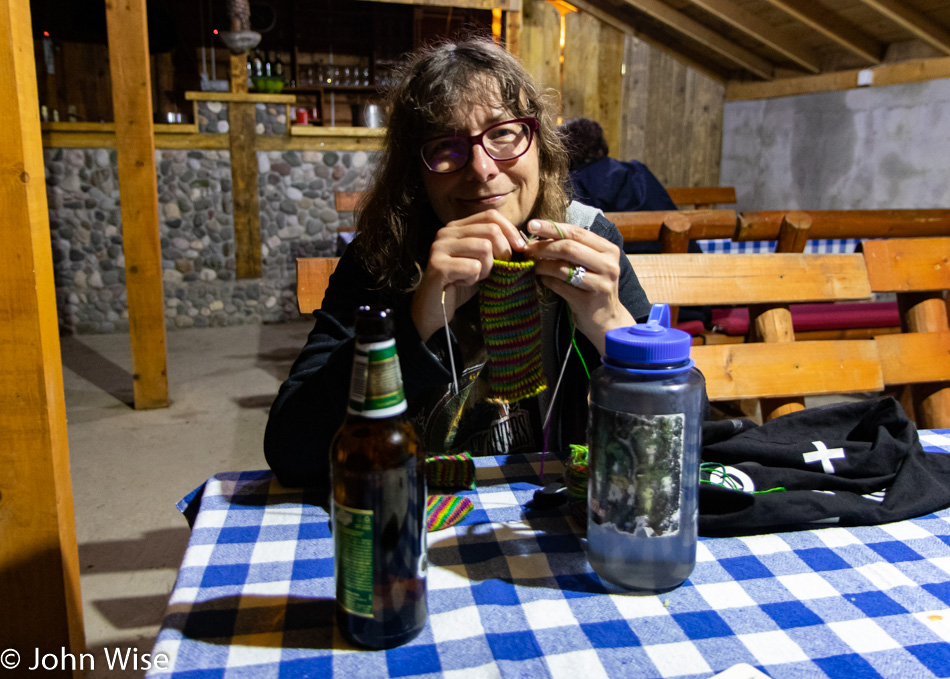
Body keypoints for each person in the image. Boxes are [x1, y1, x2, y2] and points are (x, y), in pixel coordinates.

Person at [264, 38, 652, 489]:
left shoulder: (588, 241)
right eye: (446, 145)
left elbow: (684, 435)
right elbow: (291, 451)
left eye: (503, 132)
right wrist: (413, 328)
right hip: (412, 514)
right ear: (416, 171)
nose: (482, 168)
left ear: (538, 144)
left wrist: (612, 324)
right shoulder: (379, 255)